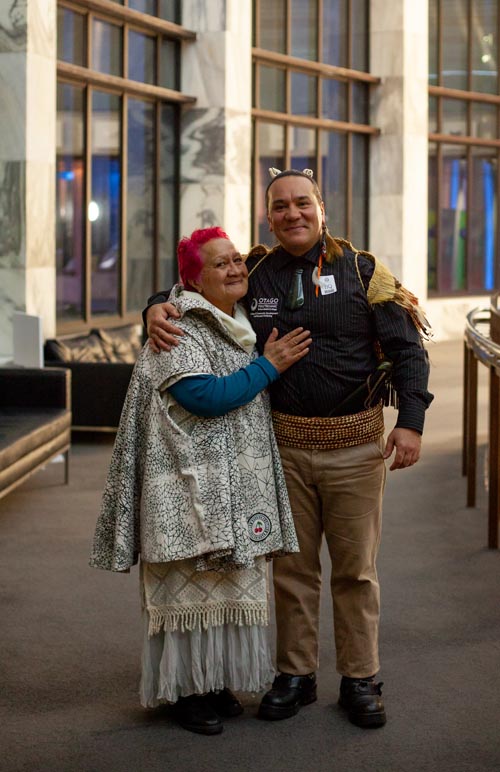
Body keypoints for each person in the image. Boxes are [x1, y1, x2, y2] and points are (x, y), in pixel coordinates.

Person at [143, 169, 434, 729]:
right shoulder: (254, 270)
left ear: (322, 208)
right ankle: (295, 674)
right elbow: (194, 287)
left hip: (355, 449)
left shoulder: (365, 271)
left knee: (356, 571)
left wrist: (412, 422)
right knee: (291, 572)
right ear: (268, 217)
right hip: (281, 452)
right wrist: (155, 305)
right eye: (280, 207)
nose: (292, 214)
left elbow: (409, 350)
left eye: (303, 203)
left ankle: (360, 676)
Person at [90, 226, 313, 736]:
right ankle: (184, 692)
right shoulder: (180, 327)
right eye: (221, 264)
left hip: (234, 484)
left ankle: (212, 681)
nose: (236, 269)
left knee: (225, 590)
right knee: (186, 594)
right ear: (192, 280)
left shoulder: (236, 317)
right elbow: (204, 398)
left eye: (238, 260)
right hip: (184, 487)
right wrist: (269, 367)